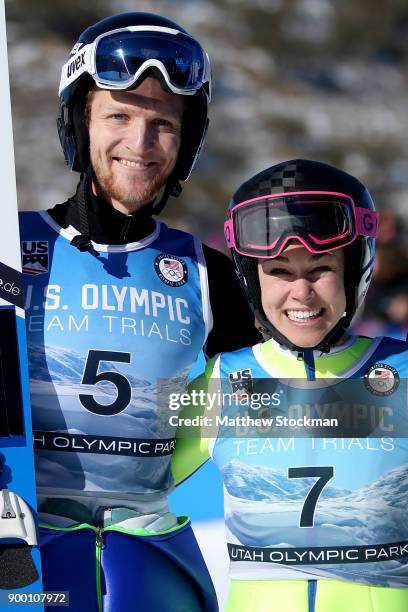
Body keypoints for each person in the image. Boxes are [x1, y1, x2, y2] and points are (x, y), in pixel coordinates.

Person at [19, 12, 259, 612]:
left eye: (163, 125)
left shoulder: (212, 276)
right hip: (25, 557)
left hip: (150, 557)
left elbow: (274, 394)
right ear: (80, 122)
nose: (141, 144)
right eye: (119, 116)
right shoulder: (10, 246)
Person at [172, 159, 408, 611]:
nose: (301, 292)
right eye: (278, 271)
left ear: (355, 269)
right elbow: (122, 488)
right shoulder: (222, 381)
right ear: (251, 277)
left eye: (321, 268)